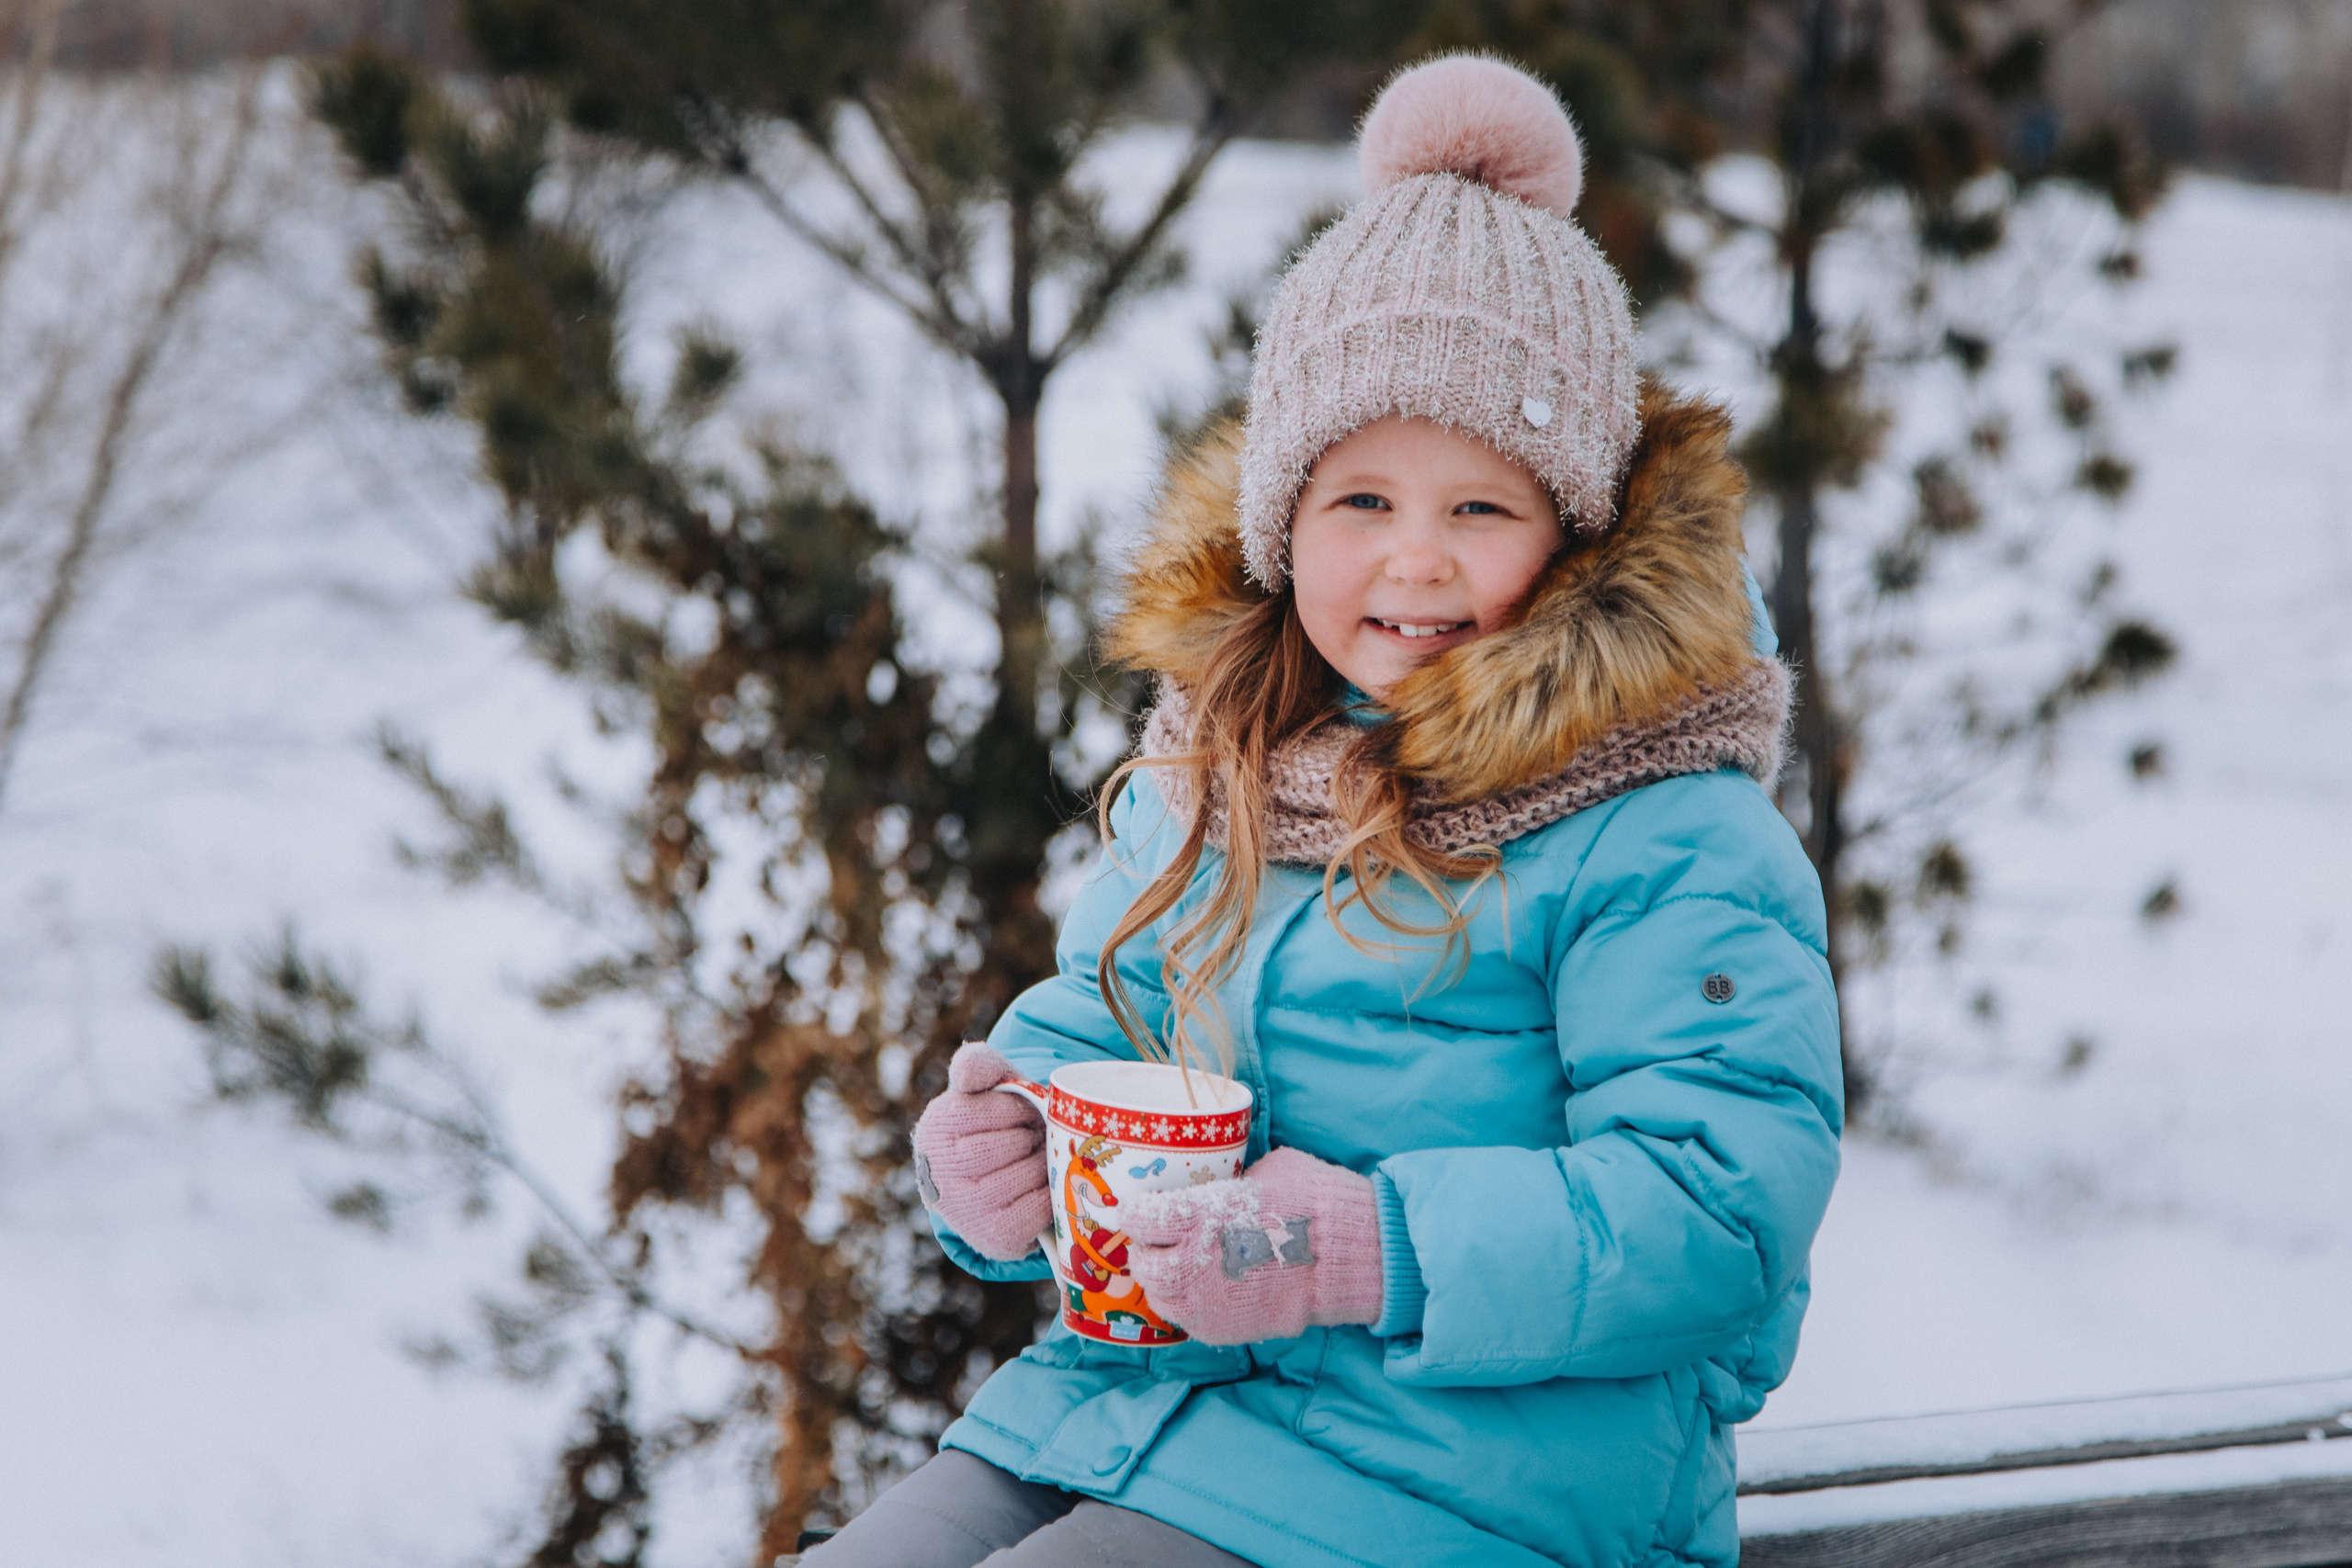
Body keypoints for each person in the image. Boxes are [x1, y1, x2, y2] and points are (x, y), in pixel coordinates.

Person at [806, 52, 1842, 1568]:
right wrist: (1020, 1136)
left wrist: (1371, 1250)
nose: (1416, 560)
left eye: (1479, 506)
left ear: (1573, 536)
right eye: (1362, 500)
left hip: (1473, 1483)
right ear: (1284, 522)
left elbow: (1721, 1214)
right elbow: (1115, 1009)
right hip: (1132, 1408)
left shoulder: (1663, 826)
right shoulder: (1231, 750)